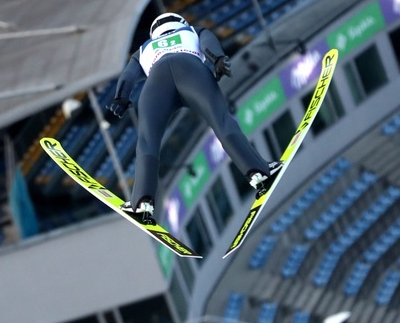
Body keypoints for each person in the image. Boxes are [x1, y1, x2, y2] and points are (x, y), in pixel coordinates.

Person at [106, 13, 281, 219]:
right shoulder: (193, 31)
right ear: (181, 23)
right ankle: (258, 173)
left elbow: (128, 75)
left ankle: (141, 202)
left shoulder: (143, 49)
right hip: (191, 71)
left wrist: (121, 97)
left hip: (156, 81)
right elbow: (209, 45)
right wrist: (218, 60)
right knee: (222, 122)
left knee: (147, 141)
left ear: (154, 33)